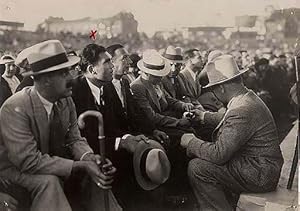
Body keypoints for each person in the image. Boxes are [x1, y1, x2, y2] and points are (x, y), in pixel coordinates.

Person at [0, 40, 118, 211]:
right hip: (14, 172)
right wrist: (79, 166)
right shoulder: (15, 108)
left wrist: (89, 158)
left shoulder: (66, 101)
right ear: (46, 79)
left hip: (47, 164)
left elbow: (74, 139)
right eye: (64, 73)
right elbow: (28, 162)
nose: (71, 77)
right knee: (49, 182)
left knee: (94, 172)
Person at [181, 54, 284, 210]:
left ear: (221, 87)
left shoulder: (242, 109)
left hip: (259, 174)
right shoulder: (246, 97)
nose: (214, 95)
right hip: (261, 166)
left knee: (198, 168)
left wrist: (191, 142)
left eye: (213, 90)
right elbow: (228, 119)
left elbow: (219, 154)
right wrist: (203, 116)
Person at [72, 44, 168, 209]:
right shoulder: (75, 91)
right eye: (107, 62)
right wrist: (121, 142)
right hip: (84, 155)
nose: (111, 66)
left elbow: (115, 125)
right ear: (91, 69)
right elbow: (81, 137)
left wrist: (128, 138)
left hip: (105, 148)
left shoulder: (107, 87)